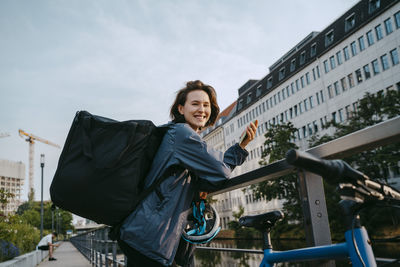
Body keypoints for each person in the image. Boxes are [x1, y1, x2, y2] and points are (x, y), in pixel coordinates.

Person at [118, 80, 257, 266]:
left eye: (206, 105)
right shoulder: (182, 134)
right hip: (151, 238)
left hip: (158, 236)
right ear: (181, 109)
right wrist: (238, 151)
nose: (202, 109)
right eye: (195, 104)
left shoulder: (182, 137)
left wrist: (241, 146)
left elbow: (208, 180)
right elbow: (220, 171)